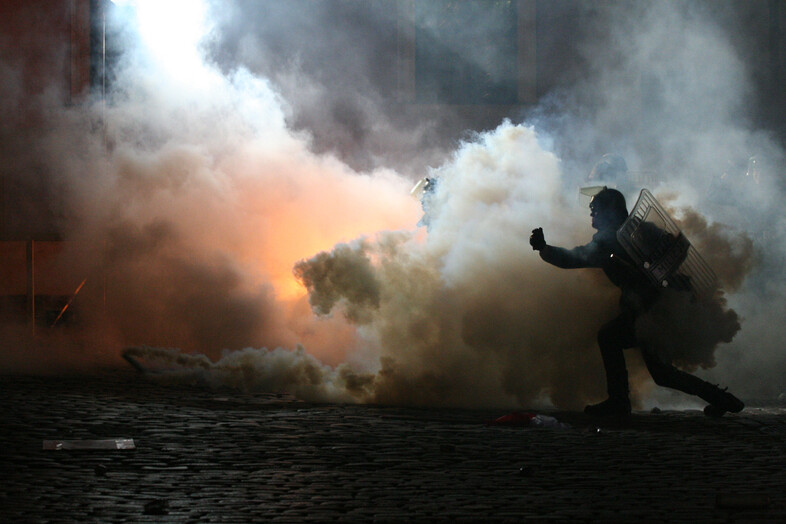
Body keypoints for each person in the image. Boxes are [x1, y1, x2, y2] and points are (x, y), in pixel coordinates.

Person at [529, 187, 744, 417]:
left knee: (613, 339)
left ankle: (619, 401)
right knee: (661, 373)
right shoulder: (642, 229)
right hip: (666, 305)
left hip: (648, 312)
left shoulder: (608, 242)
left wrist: (544, 249)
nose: (592, 216)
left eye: (596, 211)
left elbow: (572, 258)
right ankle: (722, 399)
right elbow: (674, 249)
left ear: (610, 212)